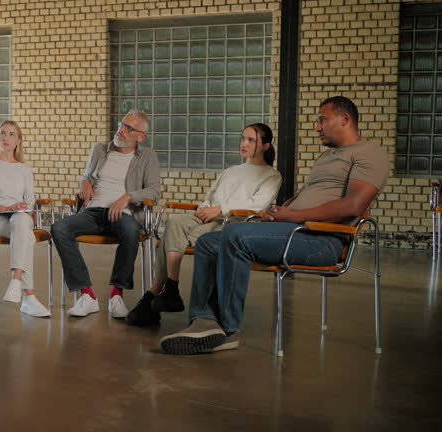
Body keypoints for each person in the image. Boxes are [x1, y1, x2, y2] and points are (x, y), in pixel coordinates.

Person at [160, 96, 390, 354]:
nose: (317, 127)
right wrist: (280, 211)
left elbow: (354, 205)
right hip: (293, 230)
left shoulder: (369, 153)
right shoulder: (328, 157)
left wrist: (292, 216)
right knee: (207, 242)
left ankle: (228, 329)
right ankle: (204, 320)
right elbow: (308, 195)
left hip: (322, 239)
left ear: (345, 119)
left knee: (234, 233)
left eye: (322, 120)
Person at [126, 123, 282, 327]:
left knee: (170, 238)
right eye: (243, 138)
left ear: (265, 146)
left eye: (251, 140)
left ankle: (155, 294)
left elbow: (257, 205)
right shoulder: (231, 170)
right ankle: (170, 289)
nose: (244, 143)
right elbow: (210, 196)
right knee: (173, 222)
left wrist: (219, 209)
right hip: (208, 216)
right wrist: (206, 207)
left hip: (232, 223)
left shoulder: (271, 175)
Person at [51, 110, 161, 319]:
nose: (121, 130)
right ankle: (87, 296)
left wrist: (127, 197)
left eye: (129, 128)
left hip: (124, 214)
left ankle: (116, 295)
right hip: (93, 211)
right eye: (122, 124)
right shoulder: (100, 150)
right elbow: (87, 175)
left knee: (131, 231)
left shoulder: (147, 156)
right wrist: (84, 182)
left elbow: (154, 191)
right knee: (59, 228)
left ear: (141, 137)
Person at [0, 120, 52, 317]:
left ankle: (16, 280)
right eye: (3, 133)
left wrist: (21, 207)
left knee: (22, 221)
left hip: (17, 217)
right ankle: (28, 297)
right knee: (26, 236)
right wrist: (4, 208)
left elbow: (31, 200)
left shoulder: (24, 169)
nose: (6, 138)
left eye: (11, 134)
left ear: (18, 141)